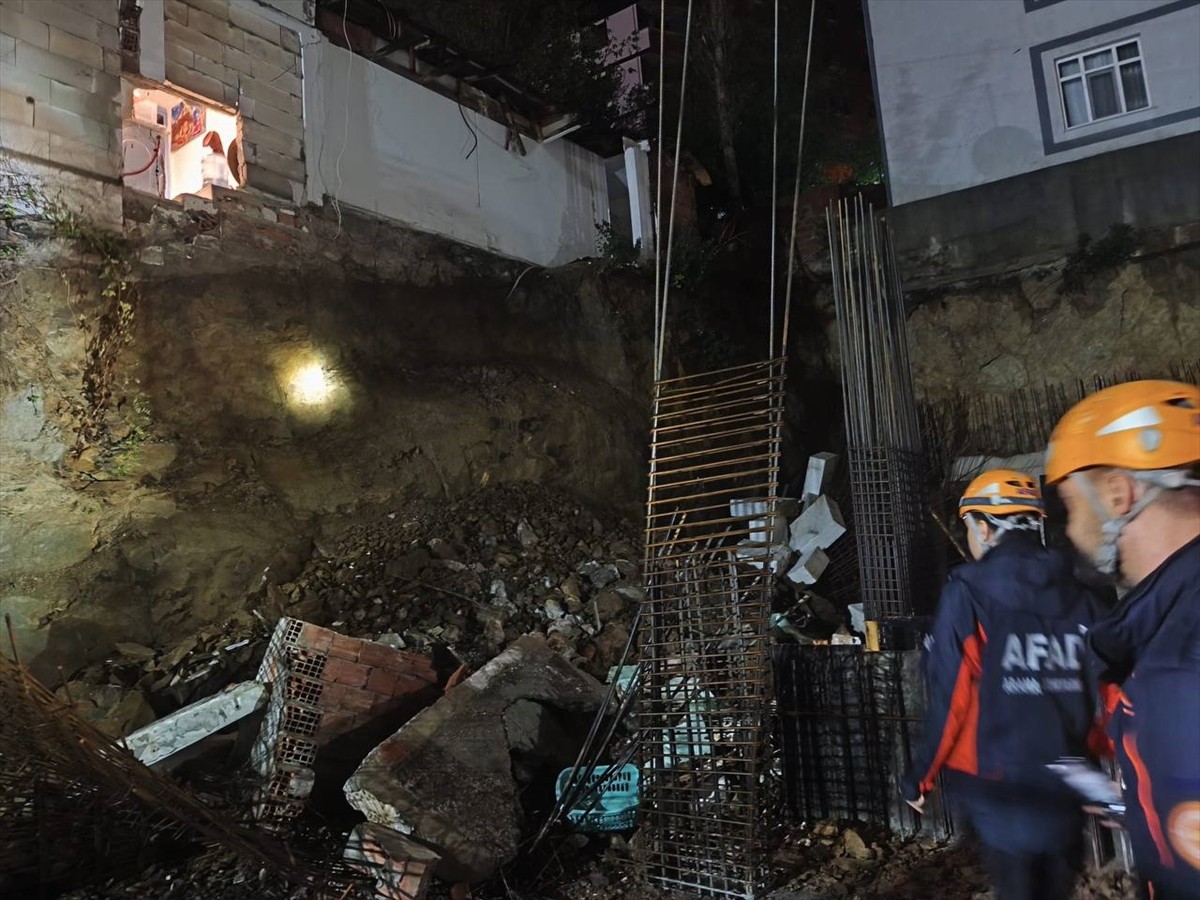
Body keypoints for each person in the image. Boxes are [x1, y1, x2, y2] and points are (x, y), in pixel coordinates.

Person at [903, 469, 1101, 900]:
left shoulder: (969, 591)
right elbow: (1105, 689)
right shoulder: (1083, 595)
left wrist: (921, 776)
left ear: (984, 527)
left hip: (1001, 785)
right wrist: (1096, 768)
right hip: (1066, 784)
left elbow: (951, 693)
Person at [1045, 379, 1200, 900]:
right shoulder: (1170, 623)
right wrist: (1144, 793)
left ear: (1118, 493)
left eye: (1071, 505)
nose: (1070, 530)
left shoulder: (1182, 660)